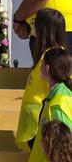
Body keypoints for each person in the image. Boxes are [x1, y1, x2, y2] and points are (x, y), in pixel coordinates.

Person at [16, 9, 66, 151]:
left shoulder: (55, 56)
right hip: (33, 122)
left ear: (43, 28)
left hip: (40, 123)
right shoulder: (45, 55)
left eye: (35, 23)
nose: (32, 27)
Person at [23, 48, 72, 162]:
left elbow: (64, 145)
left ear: (47, 68)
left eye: (42, 63)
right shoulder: (55, 97)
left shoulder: (59, 102)